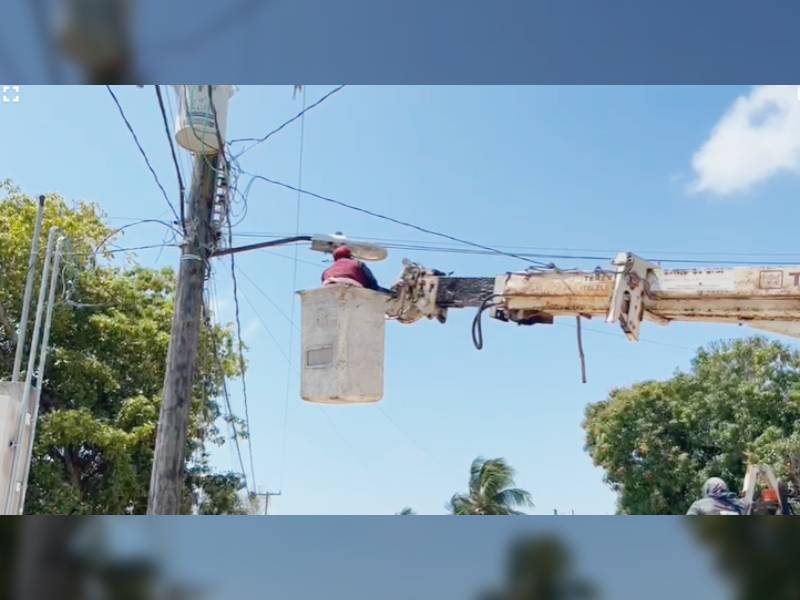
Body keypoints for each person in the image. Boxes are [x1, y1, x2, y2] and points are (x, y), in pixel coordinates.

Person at [321, 246, 391, 293]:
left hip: (328, 290)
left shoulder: (326, 271)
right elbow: (372, 283)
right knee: (389, 294)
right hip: (353, 288)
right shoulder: (358, 263)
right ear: (350, 255)